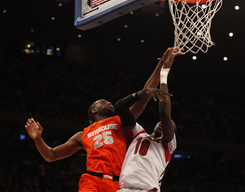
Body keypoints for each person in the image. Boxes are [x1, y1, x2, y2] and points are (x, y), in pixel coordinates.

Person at [25, 48, 175, 192]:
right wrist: (38, 139)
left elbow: (146, 93)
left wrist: (161, 65)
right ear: (94, 110)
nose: (108, 102)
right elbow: (51, 155)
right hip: (92, 180)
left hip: (119, 184)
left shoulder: (120, 122)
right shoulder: (82, 135)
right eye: (103, 101)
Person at [118, 48, 177, 192]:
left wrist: (164, 74)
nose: (163, 124)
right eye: (161, 123)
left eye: (168, 124)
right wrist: (142, 93)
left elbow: (164, 112)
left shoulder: (168, 146)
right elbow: (120, 108)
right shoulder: (138, 134)